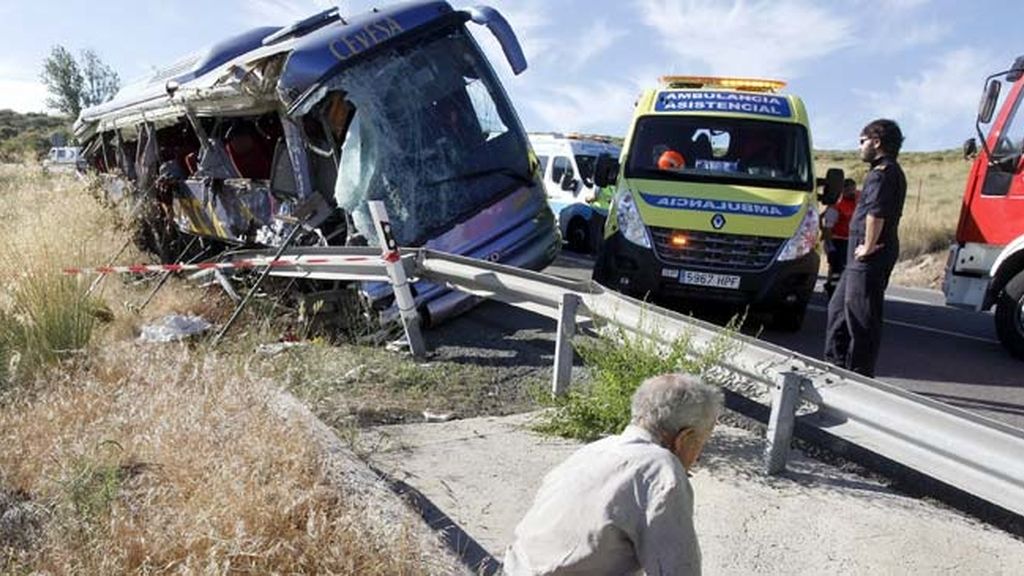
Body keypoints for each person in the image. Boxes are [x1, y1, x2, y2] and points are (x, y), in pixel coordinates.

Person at [503, 373, 723, 576]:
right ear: (685, 438)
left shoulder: (595, 449)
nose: (698, 456)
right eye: (702, 443)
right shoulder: (661, 469)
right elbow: (678, 570)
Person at [824, 119, 907, 377]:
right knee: (838, 310)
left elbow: (876, 213)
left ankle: (859, 376)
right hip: (859, 255)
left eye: (863, 141)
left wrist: (868, 247)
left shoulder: (883, 173)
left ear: (877, 142)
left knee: (861, 317)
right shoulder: (881, 171)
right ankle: (835, 367)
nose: (860, 147)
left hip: (868, 255)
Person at [821, 178, 859, 299]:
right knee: (836, 268)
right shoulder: (836, 206)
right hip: (837, 240)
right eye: (849, 190)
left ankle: (835, 288)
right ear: (843, 190)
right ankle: (833, 292)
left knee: (846, 268)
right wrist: (830, 245)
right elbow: (828, 227)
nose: (852, 192)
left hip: (851, 240)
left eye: (853, 189)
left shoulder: (857, 202)